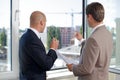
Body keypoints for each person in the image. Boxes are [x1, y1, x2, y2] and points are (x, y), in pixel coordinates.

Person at [67, 2, 113, 80]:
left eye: (86, 17)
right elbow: (97, 49)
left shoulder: (93, 39)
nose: (86, 19)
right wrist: (82, 40)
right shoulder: (108, 34)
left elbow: (86, 68)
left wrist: (72, 68)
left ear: (90, 17)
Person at [19, 11, 59, 80]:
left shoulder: (24, 36)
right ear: (41, 22)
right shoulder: (32, 39)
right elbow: (47, 64)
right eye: (45, 23)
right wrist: (53, 48)